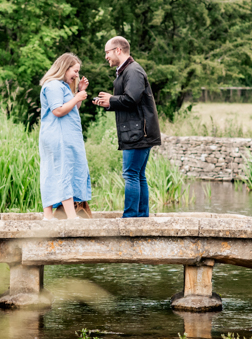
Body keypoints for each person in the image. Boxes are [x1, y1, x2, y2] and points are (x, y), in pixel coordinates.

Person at [91, 37, 161, 218]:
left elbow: (131, 99)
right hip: (137, 131)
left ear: (118, 50)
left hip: (139, 132)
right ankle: (141, 216)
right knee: (138, 175)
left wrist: (112, 99)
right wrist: (108, 103)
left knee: (131, 174)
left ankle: (130, 218)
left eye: (107, 52)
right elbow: (129, 101)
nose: (106, 56)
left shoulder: (133, 71)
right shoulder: (126, 71)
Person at [39, 53, 92, 220]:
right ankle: (71, 216)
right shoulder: (54, 85)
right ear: (64, 67)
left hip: (60, 135)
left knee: (54, 171)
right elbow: (58, 111)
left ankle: (48, 216)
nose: (77, 75)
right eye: (75, 71)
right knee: (64, 171)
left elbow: (71, 110)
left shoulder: (61, 86)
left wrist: (79, 93)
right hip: (58, 136)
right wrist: (76, 96)